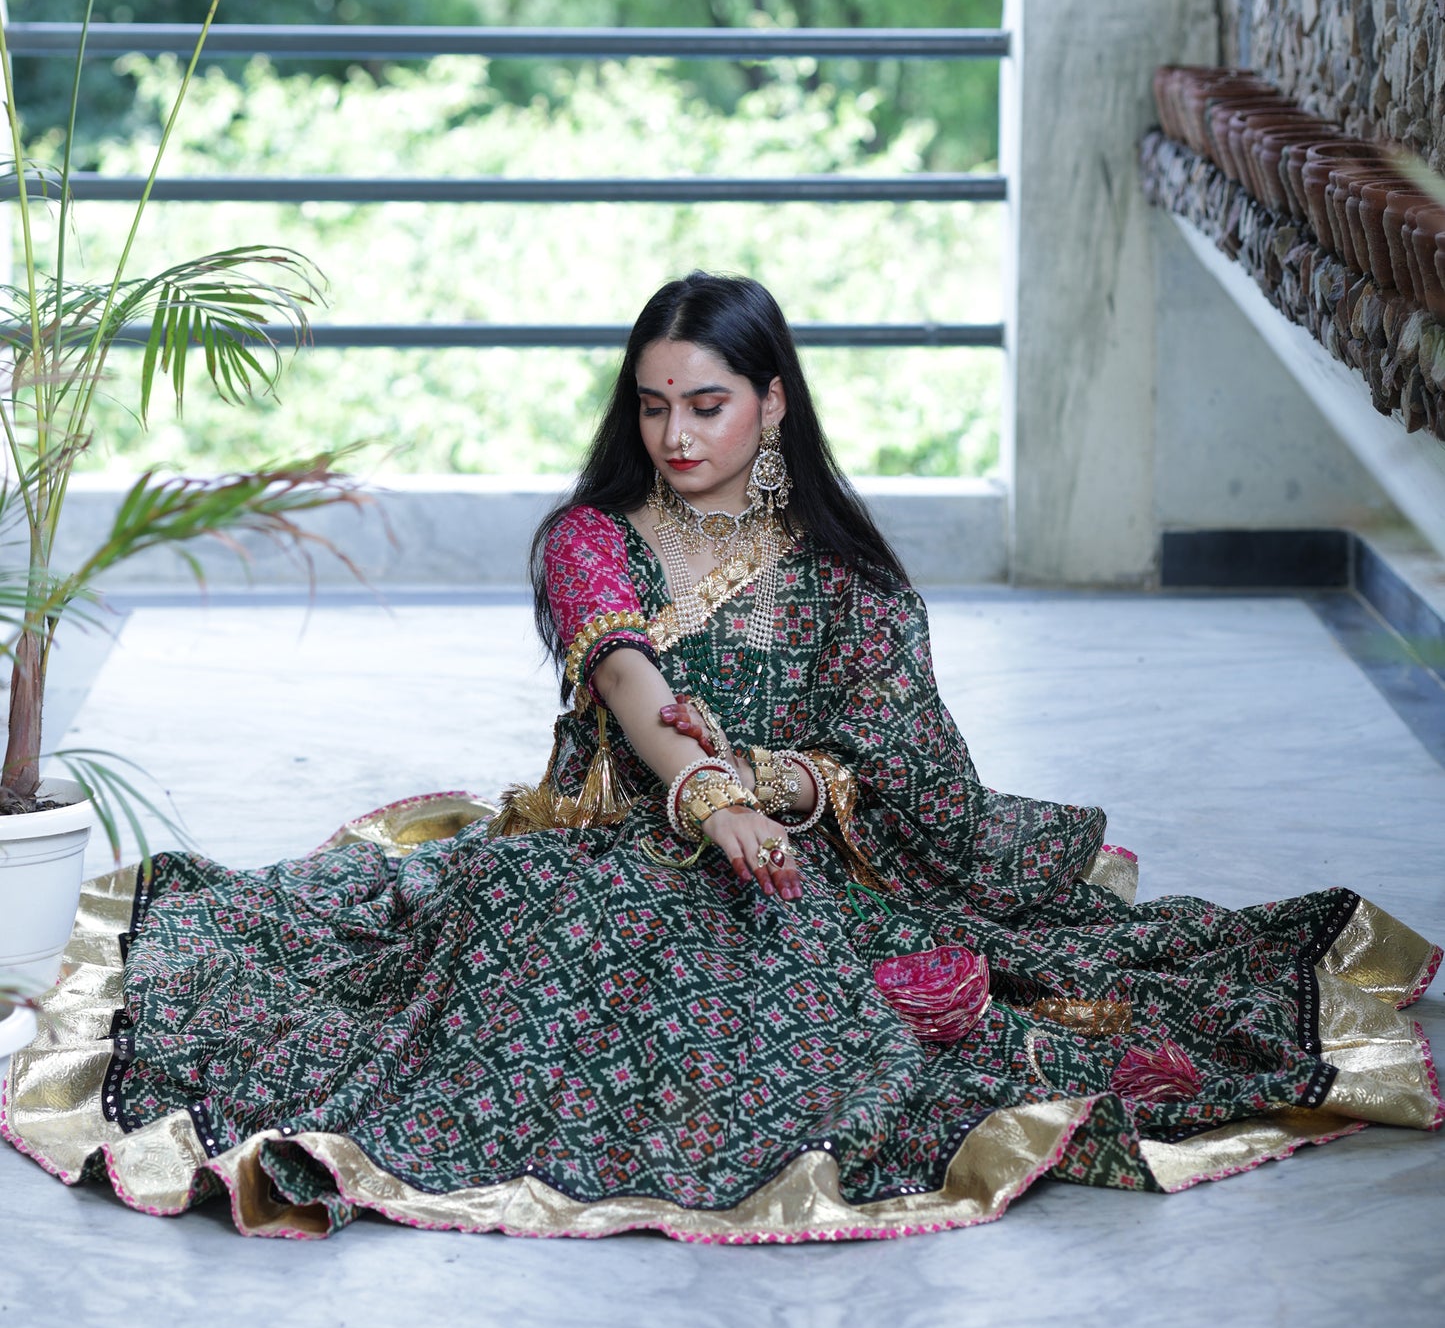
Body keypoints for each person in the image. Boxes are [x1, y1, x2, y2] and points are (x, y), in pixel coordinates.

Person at [4, 272, 1439, 1241]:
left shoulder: (843, 582)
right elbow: (627, 673)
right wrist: (701, 790)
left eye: (705, 405)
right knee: (549, 922)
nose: (673, 433)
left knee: (821, 983)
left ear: (771, 408)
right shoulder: (590, 540)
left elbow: (901, 762)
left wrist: (793, 793)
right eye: (650, 403)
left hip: (812, 869)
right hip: (609, 844)